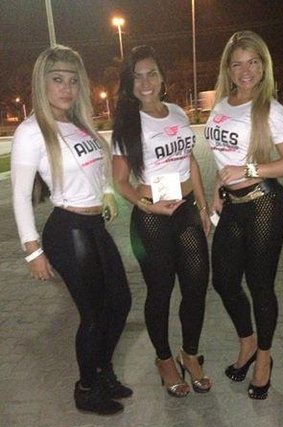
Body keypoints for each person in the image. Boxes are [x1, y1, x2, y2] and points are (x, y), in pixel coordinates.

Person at [11, 45, 132, 415]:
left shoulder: (79, 123)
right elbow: (19, 194)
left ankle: (103, 370)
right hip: (68, 230)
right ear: (42, 83)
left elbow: (99, 165)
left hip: (94, 225)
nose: (66, 88)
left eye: (73, 80)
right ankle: (87, 388)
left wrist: (107, 191)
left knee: (121, 302)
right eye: (57, 80)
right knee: (93, 314)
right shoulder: (31, 131)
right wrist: (32, 250)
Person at [204, 31, 283, 400]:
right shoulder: (221, 105)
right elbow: (221, 157)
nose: (246, 70)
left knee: (260, 285)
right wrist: (217, 188)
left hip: (264, 204)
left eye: (253, 62)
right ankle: (247, 341)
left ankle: (263, 357)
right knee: (224, 281)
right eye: (238, 63)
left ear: (263, 66)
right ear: (228, 69)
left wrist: (248, 170)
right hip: (232, 204)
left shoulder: (270, 109)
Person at [112, 45, 211, 397]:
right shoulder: (127, 124)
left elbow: (191, 161)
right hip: (152, 217)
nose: (145, 82)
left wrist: (202, 206)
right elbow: (120, 181)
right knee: (160, 290)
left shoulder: (178, 113)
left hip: (185, 209)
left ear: (162, 76)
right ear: (129, 84)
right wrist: (147, 206)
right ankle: (164, 359)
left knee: (196, 285)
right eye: (137, 76)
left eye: (151, 73)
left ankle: (190, 353)